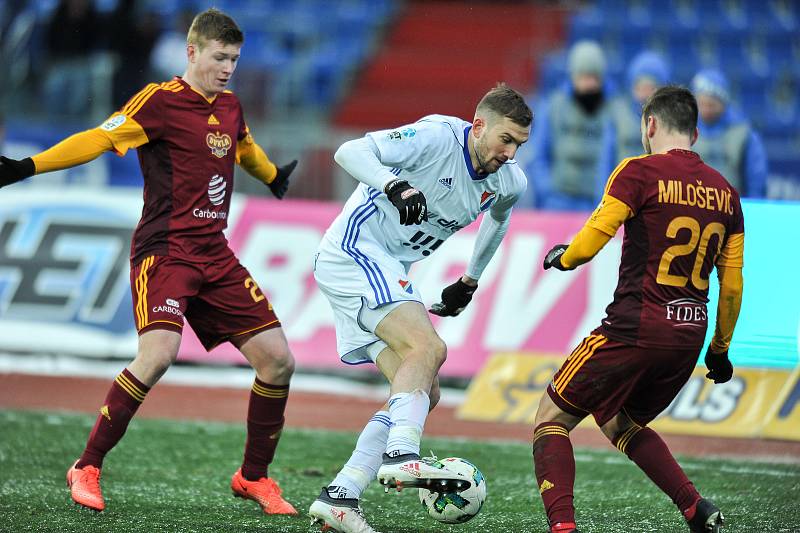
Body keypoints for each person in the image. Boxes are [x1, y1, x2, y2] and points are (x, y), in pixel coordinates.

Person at [0, 8, 299, 516]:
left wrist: (271, 176)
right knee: (158, 355)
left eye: (234, 59)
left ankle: (253, 477)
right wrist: (29, 166)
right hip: (166, 252)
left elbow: (242, 145)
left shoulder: (229, 105)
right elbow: (98, 137)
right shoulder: (159, 102)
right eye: (220, 57)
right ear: (193, 51)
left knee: (279, 361)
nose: (228, 68)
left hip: (215, 253)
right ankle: (87, 465)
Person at [308, 83, 532, 532]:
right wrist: (394, 185)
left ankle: (341, 496)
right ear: (479, 125)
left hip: (381, 267)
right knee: (428, 348)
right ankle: (402, 456)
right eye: (505, 139)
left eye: (519, 145)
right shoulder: (435, 137)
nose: (510, 153)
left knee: (423, 390)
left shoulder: (509, 181)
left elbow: (500, 218)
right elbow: (349, 151)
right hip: (354, 252)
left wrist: (470, 279)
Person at [534, 86, 744, 533]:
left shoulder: (638, 172)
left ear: (650, 125)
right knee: (619, 421)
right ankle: (696, 508)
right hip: (689, 336)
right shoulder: (727, 194)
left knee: (550, 419)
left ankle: (562, 528)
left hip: (635, 328)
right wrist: (719, 349)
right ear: (696, 133)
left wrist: (564, 256)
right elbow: (732, 286)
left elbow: (594, 237)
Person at [525, 40, 617, 211]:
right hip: (558, 203)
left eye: (594, 77)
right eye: (584, 77)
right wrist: (548, 191)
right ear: (573, 76)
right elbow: (538, 156)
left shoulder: (613, 109)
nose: (589, 84)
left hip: (599, 205)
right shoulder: (553, 107)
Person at [691, 68, 767, 198]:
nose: (706, 109)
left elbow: (756, 182)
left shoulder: (743, 133)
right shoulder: (684, 128)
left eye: (712, 104)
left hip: (731, 208)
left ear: (724, 103)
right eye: (702, 103)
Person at [611, 50, 670, 162]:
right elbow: (608, 157)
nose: (644, 95)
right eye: (640, 88)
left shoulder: (670, 120)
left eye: (651, 88)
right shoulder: (618, 115)